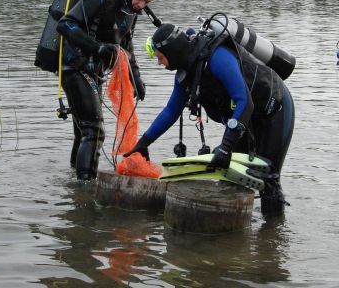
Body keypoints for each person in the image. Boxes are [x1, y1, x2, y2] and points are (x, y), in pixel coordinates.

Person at [125, 23, 295, 216]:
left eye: (161, 57)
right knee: (229, 175)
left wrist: (226, 146)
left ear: (172, 51)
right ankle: (232, 229)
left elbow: (244, 101)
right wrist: (144, 142)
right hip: (245, 117)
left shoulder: (217, 58)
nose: (160, 63)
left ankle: (271, 237)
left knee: (268, 176)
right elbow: (171, 110)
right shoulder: (185, 72)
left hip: (274, 107)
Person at [56, 0, 159, 180]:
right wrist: (96, 48)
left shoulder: (130, 12)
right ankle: (85, 191)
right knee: (94, 131)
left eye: (146, 2)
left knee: (83, 132)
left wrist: (135, 77)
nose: (141, 4)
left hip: (94, 72)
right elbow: (64, 24)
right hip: (75, 66)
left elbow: (126, 45)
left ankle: (74, 180)